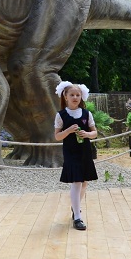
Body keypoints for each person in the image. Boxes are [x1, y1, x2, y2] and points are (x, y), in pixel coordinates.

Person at [54, 80, 98, 230]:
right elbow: (57, 136)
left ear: (81, 96)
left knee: (85, 182)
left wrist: (87, 134)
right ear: (65, 96)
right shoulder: (61, 115)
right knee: (77, 181)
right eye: (72, 94)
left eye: (77, 95)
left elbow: (95, 133)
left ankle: (75, 207)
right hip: (71, 152)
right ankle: (78, 217)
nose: (75, 97)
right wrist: (68, 131)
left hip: (85, 151)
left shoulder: (87, 114)